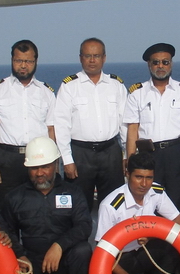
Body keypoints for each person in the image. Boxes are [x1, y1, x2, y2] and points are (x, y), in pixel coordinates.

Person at [1, 137, 92, 274]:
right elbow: (8, 230)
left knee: (83, 250)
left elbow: (84, 226)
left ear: (56, 164)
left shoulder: (73, 192)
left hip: (64, 258)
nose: (40, 173)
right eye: (34, 168)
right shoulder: (15, 197)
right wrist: (19, 255)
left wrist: (59, 245)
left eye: (45, 167)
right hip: (31, 262)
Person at [96, 152, 180, 274]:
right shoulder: (110, 205)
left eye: (149, 178)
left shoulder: (156, 192)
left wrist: (151, 236)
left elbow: (179, 223)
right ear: (127, 174)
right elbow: (101, 253)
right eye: (138, 177)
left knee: (176, 242)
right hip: (120, 259)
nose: (144, 184)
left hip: (144, 252)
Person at [124, 42, 180, 211]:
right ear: (149, 65)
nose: (160, 66)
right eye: (156, 62)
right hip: (149, 155)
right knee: (148, 201)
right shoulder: (137, 93)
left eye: (165, 62)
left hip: (178, 154)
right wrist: (131, 161)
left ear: (171, 64)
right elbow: (132, 130)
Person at [54, 37, 127, 211]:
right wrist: (67, 160)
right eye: (87, 56)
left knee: (115, 205)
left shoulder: (116, 85)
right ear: (80, 58)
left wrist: (125, 154)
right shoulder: (69, 86)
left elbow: (125, 123)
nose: (92, 60)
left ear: (104, 58)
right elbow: (61, 125)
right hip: (81, 154)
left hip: (111, 153)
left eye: (96, 56)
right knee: (78, 205)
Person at [0, 39, 56, 211]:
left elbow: (51, 131)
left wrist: (55, 167)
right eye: (18, 60)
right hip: (7, 160)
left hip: (39, 159)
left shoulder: (46, 92)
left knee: (40, 209)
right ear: (12, 60)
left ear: (35, 61)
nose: (23, 65)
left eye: (28, 61)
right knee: (6, 210)